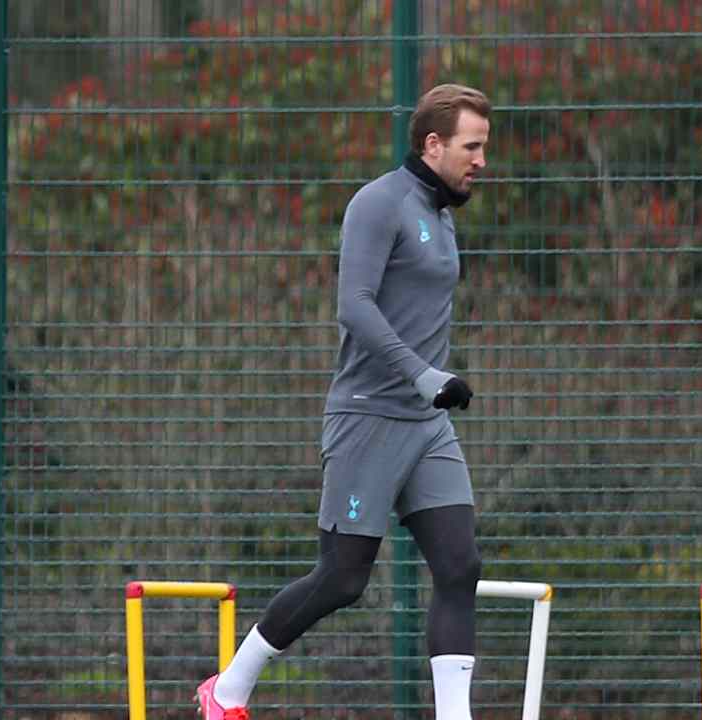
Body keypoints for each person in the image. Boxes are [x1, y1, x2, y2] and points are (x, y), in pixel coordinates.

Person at [196, 84, 491, 720]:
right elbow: (352, 305)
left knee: (460, 565)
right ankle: (227, 692)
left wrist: (431, 386)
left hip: (427, 426)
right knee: (344, 579)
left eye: (484, 148)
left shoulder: (441, 217)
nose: (481, 161)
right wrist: (422, 375)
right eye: (472, 146)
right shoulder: (378, 203)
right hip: (368, 419)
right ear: (433, 144)